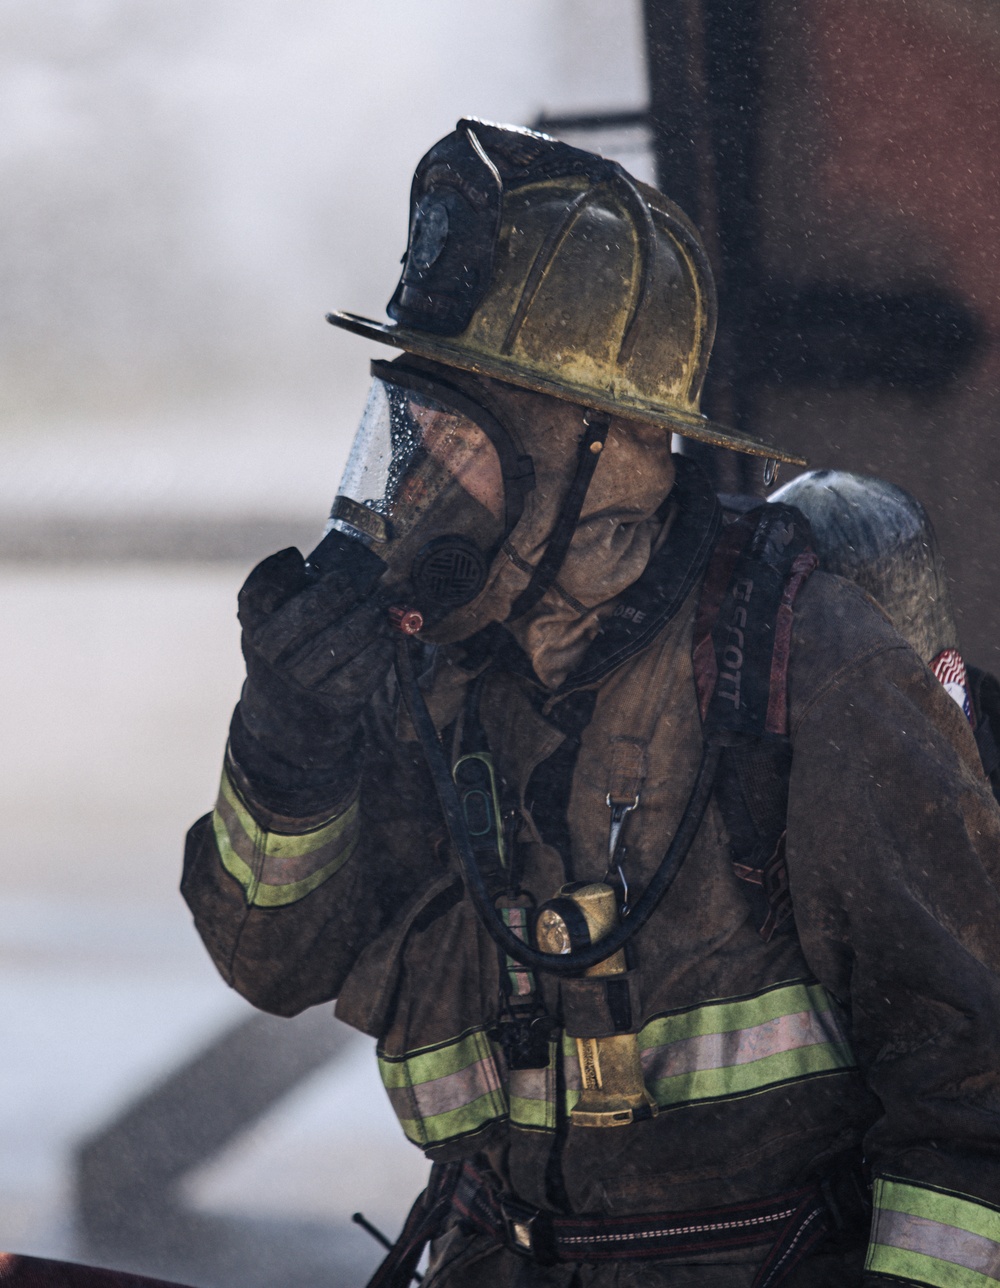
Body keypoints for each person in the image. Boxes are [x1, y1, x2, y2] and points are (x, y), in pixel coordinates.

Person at [182, 121, 1000, 1288]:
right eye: (407, 428)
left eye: (458, 439)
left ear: (599, 448)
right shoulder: (422, 670)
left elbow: (975, 1097)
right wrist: (287, 748)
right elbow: (269, 960)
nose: (412, 483)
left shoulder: (806, 664)